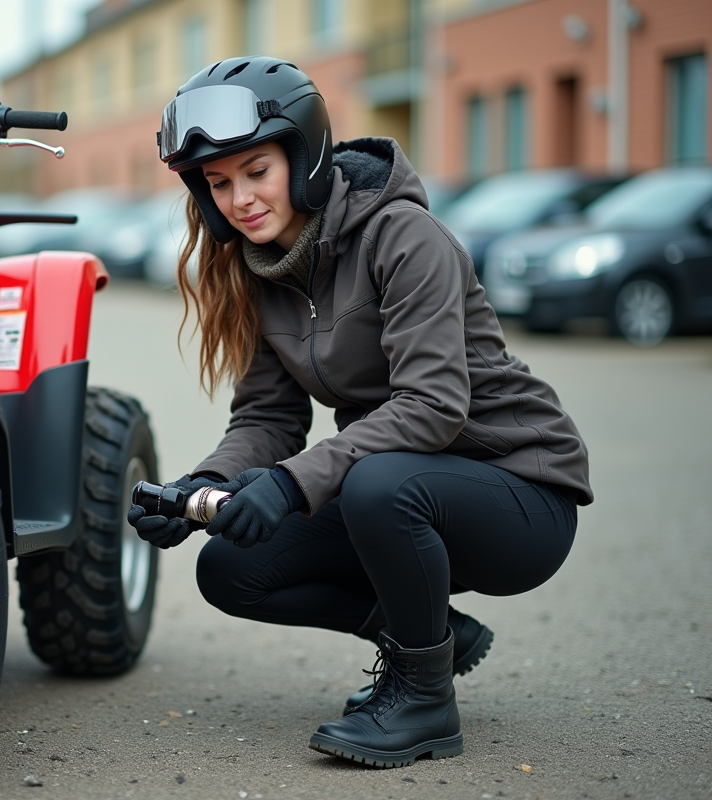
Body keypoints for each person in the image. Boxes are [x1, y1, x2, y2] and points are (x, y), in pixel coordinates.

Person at [129, 56, 592, 768]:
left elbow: (434, 407)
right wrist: (204, 487)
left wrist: (289, 484)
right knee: (229, 567)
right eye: (218, 183)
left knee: (376, 481)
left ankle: (423, 702)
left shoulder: (404, 236)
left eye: (257, 171)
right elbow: (269, 421)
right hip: (404, 492)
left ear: (304, 154)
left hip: (520, 491)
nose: (239, 199)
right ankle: (431, 637)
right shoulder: (261, 272)